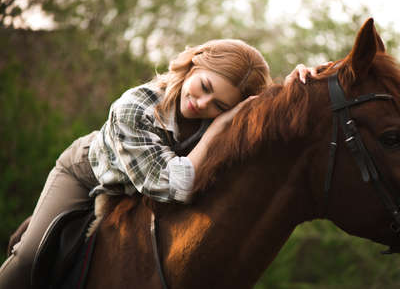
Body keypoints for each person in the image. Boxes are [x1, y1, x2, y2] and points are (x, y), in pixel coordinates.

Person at [0, 38, 317, 288]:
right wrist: (217, 130)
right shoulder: (134, 108)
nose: (202, 104)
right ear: (193, 65)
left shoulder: (222, 113)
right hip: (89, 172)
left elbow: (264, 126)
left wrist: (297, 88)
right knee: (29, 260)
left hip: (149, 180)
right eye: (205, 87)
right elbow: (172, 187)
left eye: (220, 105)